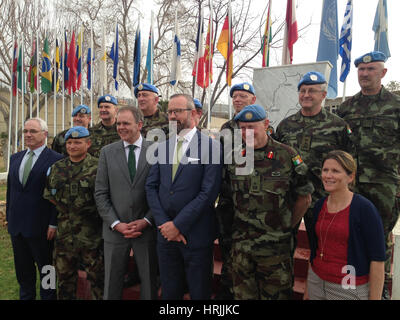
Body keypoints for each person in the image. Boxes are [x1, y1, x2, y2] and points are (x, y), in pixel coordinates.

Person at [221, 104, 314, 299]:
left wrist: (286, 226)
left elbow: (304, 198)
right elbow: (228, 198)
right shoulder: (234, 158)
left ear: (266, 124)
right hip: (242, 249)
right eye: (243, 128)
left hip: (275, 251)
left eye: (252, 127)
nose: (247, 132)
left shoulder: (287, 156)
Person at [145, 93, 222, 299]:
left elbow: (208, 193)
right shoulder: (161, 147)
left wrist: (178, 225)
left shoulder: (211, 146)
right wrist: (164, 224)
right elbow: (151, 187)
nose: (172, 116)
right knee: (170, 292)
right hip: (165, 236)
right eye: (169, 111)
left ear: (193, 113)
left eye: (177, 111)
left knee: (199, 293)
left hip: (195, 235)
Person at [336, 51, 400, 299]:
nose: (364, 74)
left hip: (384, 187)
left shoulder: (395, 107)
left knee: (380, 240)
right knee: (350, 236)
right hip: (351, 187)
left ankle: (379, 290)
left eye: (370, 69)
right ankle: (351, 287)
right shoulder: (346, 108)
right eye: (361, 70)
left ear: (383, 73)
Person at [274, 71, 353, 244]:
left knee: (324, 246)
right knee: (284, 244)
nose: (306, 95)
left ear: (323, 95)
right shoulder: (286, 125)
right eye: (302, 91)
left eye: (312, 91)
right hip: (290, 199)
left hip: (324, 199)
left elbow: (350, 164)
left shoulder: (338, 126)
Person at [95, 106, 158, 300]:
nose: (121, 127)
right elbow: (101, 193)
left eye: (126, 123)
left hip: (146, 231)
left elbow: (161, 192)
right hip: (115, 232)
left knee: (149, 285)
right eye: (118, 123)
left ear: (139, 125)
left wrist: (147, 220)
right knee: (111, 286)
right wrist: (116, 224)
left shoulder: (155, 151)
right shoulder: (107, 152)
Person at [305, 150, 385, 300]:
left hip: (348, 289)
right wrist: (307, 291)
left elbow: (378, 259)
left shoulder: (365, 209)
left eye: (335, 171)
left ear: (351, 177)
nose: (328, 176)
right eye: (325, 170)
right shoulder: (319, 205)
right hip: (316, 283)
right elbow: (315, 249)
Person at [43, 126, 104, 300]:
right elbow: (51, 196)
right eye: (69, 143)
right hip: (64, 239)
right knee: (64, 283)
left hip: (92, 238)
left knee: (97, 282)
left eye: (77, 142)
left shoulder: (99, 167)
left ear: (88, 143)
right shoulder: (56, 168)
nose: (72, 146)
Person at [6, 118, 63, 300]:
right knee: (24, 275)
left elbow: (57, 196)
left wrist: (53, 223)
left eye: (33, 131)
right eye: (25, 131)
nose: (28, 135)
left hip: (43, 229)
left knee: (47, 272)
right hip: (17, 229)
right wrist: (9, 218)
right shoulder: (15, 158)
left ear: (44, 135)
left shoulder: (56, 160)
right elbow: (11, 192)